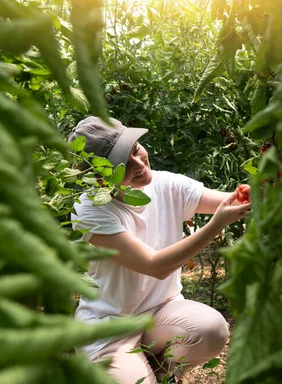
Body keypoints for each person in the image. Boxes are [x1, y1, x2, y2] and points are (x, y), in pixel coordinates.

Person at [68, 116, 251, 384]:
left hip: (161, 314)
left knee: (212, 329)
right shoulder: (90, 210)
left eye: (135, 150)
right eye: (123, 164)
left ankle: (162, 370)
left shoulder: (164, 184)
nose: (140, 164)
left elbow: (230, 201)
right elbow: (155, 266)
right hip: (110, 328)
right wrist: (215, 225)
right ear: (99, 178)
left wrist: (264, 189)